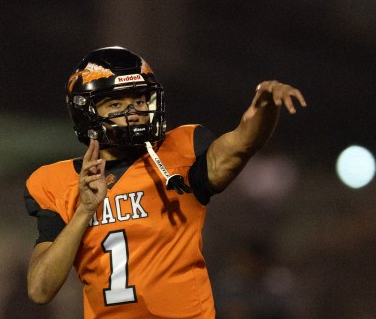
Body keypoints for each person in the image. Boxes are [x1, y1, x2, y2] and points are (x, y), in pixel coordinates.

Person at [24, 46, 306, 319]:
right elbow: (40, 289)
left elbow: (241, 144)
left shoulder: (180, 153)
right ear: (87, 112)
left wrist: (266, 107)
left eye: (138, 100)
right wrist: (84, 211)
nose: (132, 111)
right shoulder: (58, 183)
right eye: (116, 103)